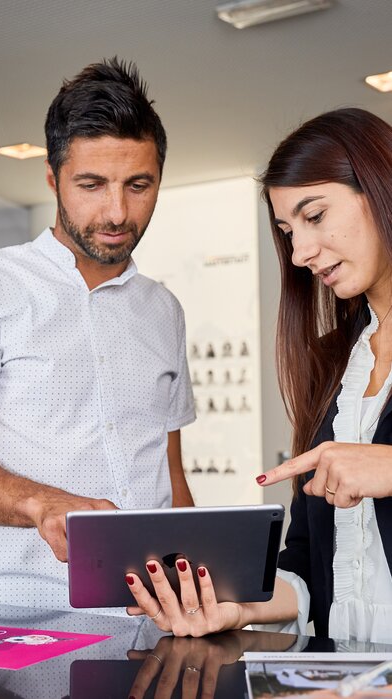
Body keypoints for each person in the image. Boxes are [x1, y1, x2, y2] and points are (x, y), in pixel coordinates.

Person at [125, 107, 392, 644]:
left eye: (314, 216)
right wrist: (237, 606)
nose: (300, 253)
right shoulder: (332, 362)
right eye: (288, 231)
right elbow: (311, 564)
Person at [0, 56, 195, 609]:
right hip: (19, 615)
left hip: (152, 618)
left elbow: (170, 477)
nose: (117, 211)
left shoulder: (163, 309)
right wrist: (40, 502)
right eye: (92, 184)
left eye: (139, 185)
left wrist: (197, 583)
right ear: (53, 178)